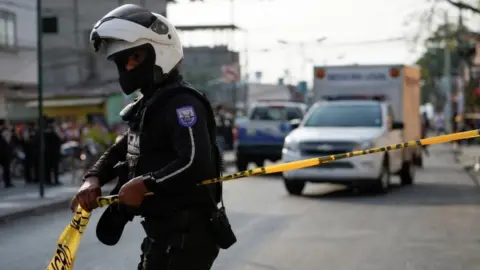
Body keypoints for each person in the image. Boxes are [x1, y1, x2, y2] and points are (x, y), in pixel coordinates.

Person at [70, 4, 234, 270]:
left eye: (134, 58)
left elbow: (195, 160)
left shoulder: (182, 103)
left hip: (189, 236)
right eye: (123, 61)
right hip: (163, 236)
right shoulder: (149, 105)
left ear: (158, 53)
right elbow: (123, 147)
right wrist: (93, 178)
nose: (128, 67)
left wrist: (146, 184)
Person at [0, 119, 13, 188]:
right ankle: (7, 182)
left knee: (6, 168)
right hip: (5, 153)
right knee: (6, 168)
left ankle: (7, 182)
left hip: (3, 152)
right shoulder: (5, 131)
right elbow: (8, 141)